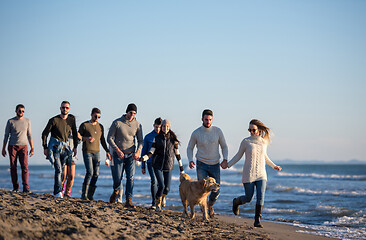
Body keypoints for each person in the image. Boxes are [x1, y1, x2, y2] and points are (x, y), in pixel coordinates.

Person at [221, 119, 282, 228]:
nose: (251, 132)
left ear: (259, 130)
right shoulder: (246, 141)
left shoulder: (264, 142)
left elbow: (265, 157)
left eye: (253, 130)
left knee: (261, 197)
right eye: (250, 130)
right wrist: (228, 165)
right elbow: (238, 156)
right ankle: (236, 202)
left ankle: (257, 221)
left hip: (261, 174)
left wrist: (274, 166)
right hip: (248, 174)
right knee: (249, 198)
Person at [186, 109, 228, 218]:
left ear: (212, 119)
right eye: (206, 120)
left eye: (210, 120)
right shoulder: (196, 133)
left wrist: (225, 159)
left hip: (215, 164)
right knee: (202, 189)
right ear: (202, 119)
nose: (208, 122)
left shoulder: (218, 131)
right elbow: (190, 147)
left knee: (217, 190)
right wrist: (190, 160)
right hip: (201, 164)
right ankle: (203, 212)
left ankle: (210, 205)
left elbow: (224, 146)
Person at [139, 119, 184, 211]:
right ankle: (157, 203)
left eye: (167, 126)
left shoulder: (173, 139)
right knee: (161, 185)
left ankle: (162, 197)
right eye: (164, 126)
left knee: (167, 189)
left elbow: (177, 154)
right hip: (157, 165)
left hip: (169, 166)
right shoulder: (157, 138)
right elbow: (151, 152)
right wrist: (143, 159)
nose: (165, 128)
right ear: (161, 127)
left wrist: (181, 169)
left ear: (169, 127)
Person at [107, 103, 143, 207]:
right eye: (131, 112)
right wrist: (117, 150)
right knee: (118, 178)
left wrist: (138, 151)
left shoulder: (137, 125)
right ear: (127, 112)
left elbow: (141, 141)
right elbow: (109, 138)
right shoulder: (117, 123)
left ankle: (128, 200)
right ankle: (116, 191)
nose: (132, 115)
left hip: (131, 156)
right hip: (118, 155)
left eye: (134, 113)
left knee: (130, 178)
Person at [41, 101, 78, 198]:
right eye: (63, 107)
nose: (65, 109)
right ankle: (58, 192)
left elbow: (74, 133)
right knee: (58, 170)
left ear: (69, 109)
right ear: (60, 108)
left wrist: (75, 147)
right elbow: (44, 134)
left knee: (62, 172)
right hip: (55, 148)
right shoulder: (54, 120)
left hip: (65, 149)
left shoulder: (71, 120)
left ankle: (57, 191)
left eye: (67, 108)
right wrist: (45, 147)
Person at [79, 108, 111, 200]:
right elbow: (78, 136)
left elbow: (102, 140)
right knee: (89, 172)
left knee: (96, 174)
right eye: (95, 116)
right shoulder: (84, 125)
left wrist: (107, 151)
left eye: (99, 117)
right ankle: (83, 195)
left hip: (97, 153)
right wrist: (86, 138)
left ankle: (90, 195)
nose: (97, 118)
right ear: (91, 115)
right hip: (87, 152)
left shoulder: (100, 126)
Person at [2, 104, 34, 193]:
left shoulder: (27, 121)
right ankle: (15, 187)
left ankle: (26, 188)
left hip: (24, 146)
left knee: (25, 167)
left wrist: (32, 147)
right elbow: (6, 135)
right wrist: (3, 148)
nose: (21, 112)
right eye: (20, 111)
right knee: (13, 167)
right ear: (16, 111)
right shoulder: (10, 121)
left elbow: (29, 135)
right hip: (12, 146)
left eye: (23, 111)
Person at [141, 117, 162, 209]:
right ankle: (154, 203)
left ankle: (159, 201)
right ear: (153, 126)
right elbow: (144, 151)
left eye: (159, 127)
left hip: (160, 163)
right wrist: (143, 166)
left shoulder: (163, 136)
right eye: (156, 127)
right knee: (154, 181)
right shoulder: (148, 137)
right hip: (150, 162)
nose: (158, 129)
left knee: (161, 184)